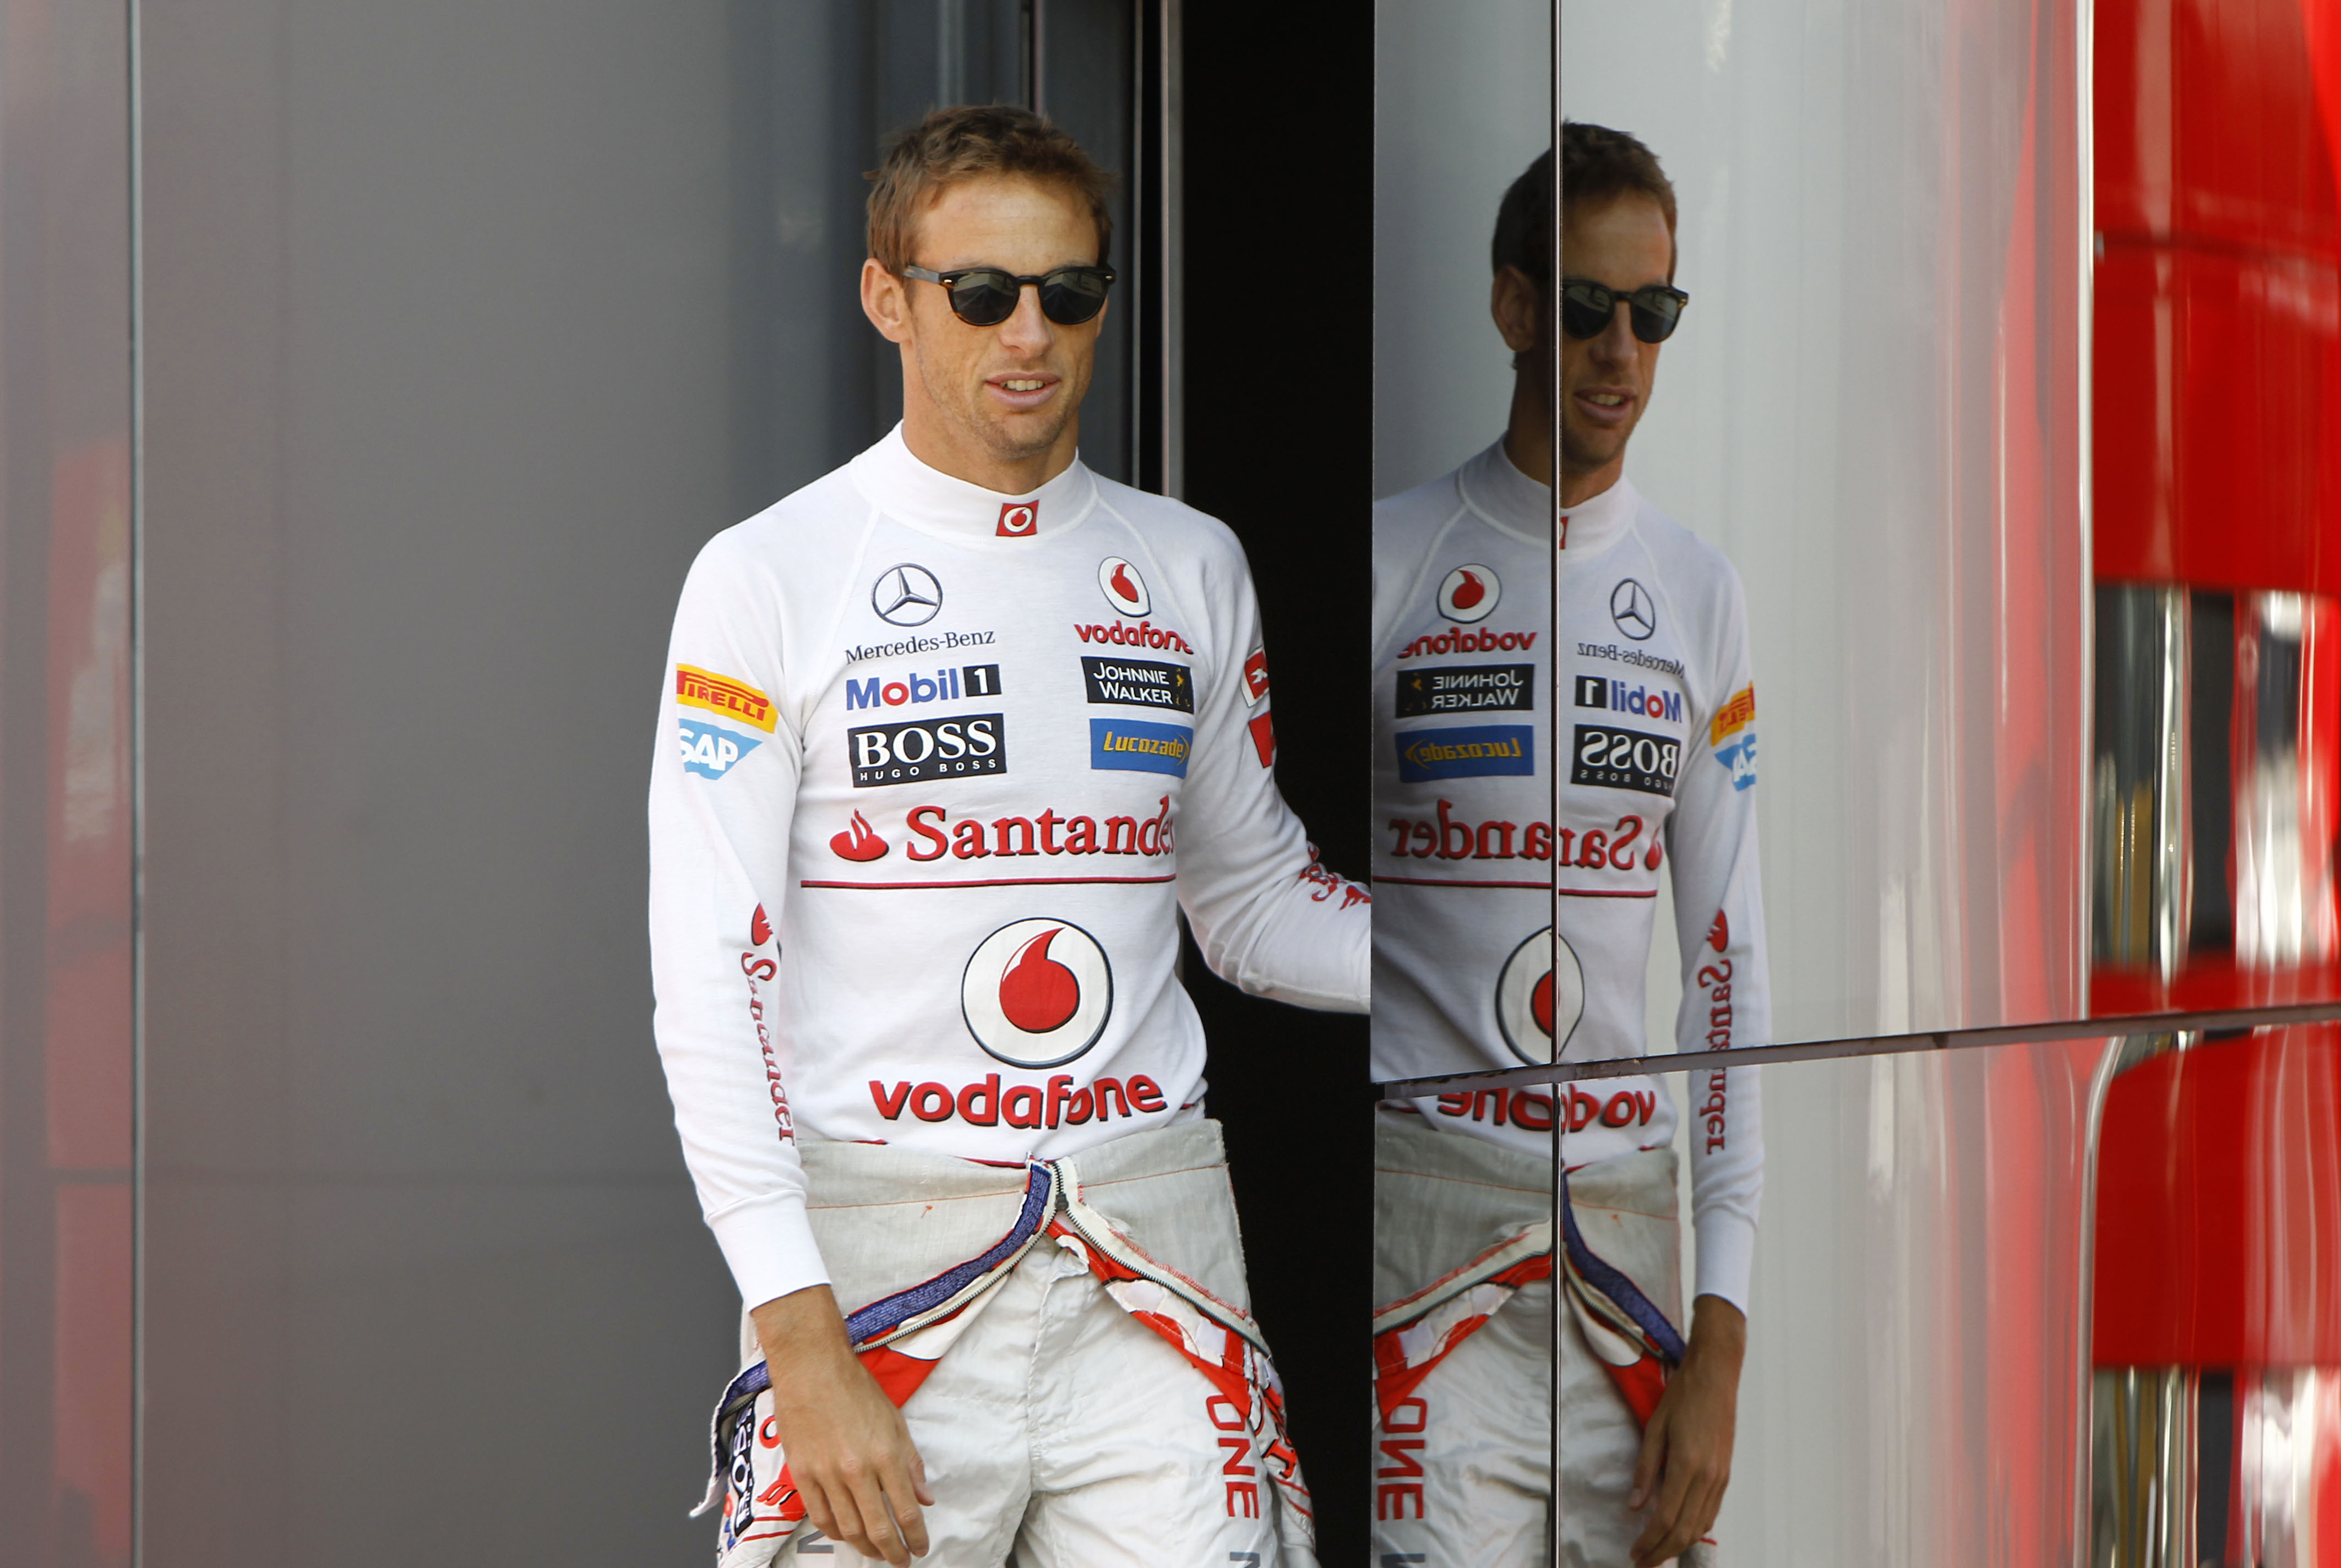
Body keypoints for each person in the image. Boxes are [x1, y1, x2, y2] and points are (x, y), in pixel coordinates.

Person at [648, 105, 1368, 1568]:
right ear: (888, 299)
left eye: (1068, 292)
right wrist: (798, 1339)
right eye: (980, 293)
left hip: (1150, 1263)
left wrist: (1491, 935)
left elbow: (1252, 903)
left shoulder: (1189, 563)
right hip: (880, 1277)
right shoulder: (766, 576)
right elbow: (711, 975)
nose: (1028, 333)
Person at [1367, 125, 1766, 1567]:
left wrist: (1723, 1334)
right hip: (1427, 1240)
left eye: (1653, 313)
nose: (1620, 351)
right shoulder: (1386, 561)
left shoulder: (1698, 591)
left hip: (1626, 1254)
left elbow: (1726, 974)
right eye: (1589, 306)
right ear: (1513, 305)